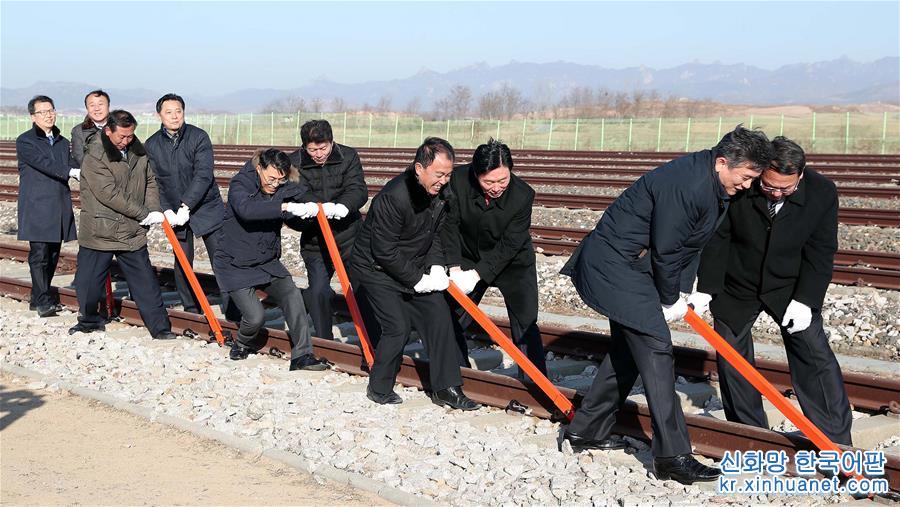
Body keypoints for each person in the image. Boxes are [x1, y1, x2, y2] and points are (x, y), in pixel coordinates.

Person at [559, 126, 773, 484]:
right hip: (616, 267)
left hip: (635, 267)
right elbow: (669, 249)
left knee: (630, 350)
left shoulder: (711, 180)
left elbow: (691, 244)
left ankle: (586, 429)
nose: (748, 185)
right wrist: (669, 297)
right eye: (747, 176)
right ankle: (672, 456)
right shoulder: (688, 184)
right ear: (723, 162)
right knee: (657, 350)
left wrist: (684, 291)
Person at [689, 136, 852, 445]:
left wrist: (806, 301)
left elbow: (821, 251)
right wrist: (706, 288)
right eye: (770, 186)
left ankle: (835, 439)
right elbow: (719, 237)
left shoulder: (822, 192)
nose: (777, 193)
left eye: (786, 189)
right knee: (732, 356)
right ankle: (751, 433)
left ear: (800, 176)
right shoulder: (743, 185)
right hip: (738, 282)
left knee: (814, 355)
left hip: (789, 286)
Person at [349, 137, 478, 410]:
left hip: (412, 264)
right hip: (375, 269)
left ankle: (446, 388)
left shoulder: (440, 193)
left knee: (439, 314)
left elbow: (435, 235)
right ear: (419, 168)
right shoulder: (394, 197)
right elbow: (384, 251)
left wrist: (435, 267)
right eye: (439, 174)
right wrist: (418, 280)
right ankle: (379, 388)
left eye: (448, 174)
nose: (444, 180)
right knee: (397, 326)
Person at [214, 148, 328, 371]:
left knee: (293, 295)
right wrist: (283, 206)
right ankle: (242, 343)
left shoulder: (283, 183)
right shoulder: (241, 183)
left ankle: (302, 356)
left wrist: (318, 207)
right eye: (271, 178)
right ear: (259, 169)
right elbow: (247, 210)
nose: (275, 184)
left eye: (280, 180)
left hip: (266, 259)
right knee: (255, 318)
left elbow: (304, 193)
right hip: (235, 262)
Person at [442, 138, 546, 375]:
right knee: (453, 315)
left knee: (525, 322)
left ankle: (536, 382)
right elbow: (449, 224)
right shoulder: (458, 181)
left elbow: (511, 244)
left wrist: (479, 274)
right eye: (488, 181)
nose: (497, 187)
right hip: (468, 255)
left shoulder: (523, 195)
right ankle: (456, 372)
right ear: (475, 174)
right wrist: (455, 267)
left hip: (513, 263)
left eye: (503, 180)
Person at [69, 110, 176, 340]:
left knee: (145, 282)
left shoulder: (137, 149)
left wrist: (154, 208)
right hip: (101, 230)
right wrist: (143, 213)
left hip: (131, 230)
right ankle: (89, 321)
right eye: (122, 137)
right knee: (88, 284)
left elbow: (149, 180)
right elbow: (108, 193)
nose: (127, 140)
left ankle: (159, 328)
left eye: (130, 136)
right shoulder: (95, 155)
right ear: (108, 131)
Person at [145, 93, 226, 315]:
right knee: (182, 260)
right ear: (159, 115)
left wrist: (186, 205)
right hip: (173, 210)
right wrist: (166, 210)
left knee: (221, 258)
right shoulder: (151, 144)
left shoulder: (199, 137)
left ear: (184, 112)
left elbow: (203, 174)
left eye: (178, 111)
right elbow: (153, 182)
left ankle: (233, 307)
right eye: (168, 112)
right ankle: (191, 308)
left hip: (206, 207)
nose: (174, 116)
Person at [287, 120, 367, 340]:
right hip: (316, 241)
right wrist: (316, 211)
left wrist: (342, 206)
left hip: (350, 238)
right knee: (318, 292)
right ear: (304, 147)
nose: (319, 154)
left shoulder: (348, 156)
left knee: (363, 290)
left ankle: (371, 339)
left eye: (323, 148)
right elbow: (297, 195)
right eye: (312, 149)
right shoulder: (294, 163)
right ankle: (324, 340)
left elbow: (358, 188)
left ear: (332, 142)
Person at [16, 95, 78, 317]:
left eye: (50, 110)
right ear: (33, 116)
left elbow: (71, 163)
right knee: (40, 254)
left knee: (53, 254)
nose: (48, 115)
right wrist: (70, 172)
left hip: (59, 205)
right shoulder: (25, 141)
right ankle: (43, 300)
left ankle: (37, 297)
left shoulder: (62, 142)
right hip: (37, 206)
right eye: (42, 112)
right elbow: (45, 164)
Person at [70, 89, 110, 168]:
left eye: (100, 104)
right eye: (92, 105)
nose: (97, 108)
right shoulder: (79, 131)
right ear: (87, 108)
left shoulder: (120, 127)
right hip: (93, 175)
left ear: (108, 106)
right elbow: (80, 158)